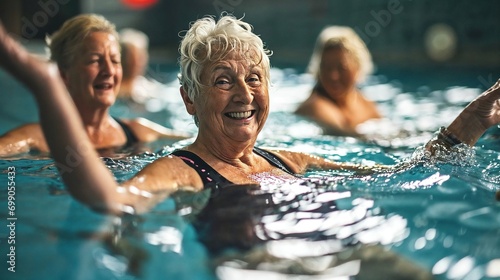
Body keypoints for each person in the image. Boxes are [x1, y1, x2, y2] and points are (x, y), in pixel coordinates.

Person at [0, 15, 499, 215]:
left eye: (254, 78)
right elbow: (109, 198)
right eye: (223, 80)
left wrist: (465, 128)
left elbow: (401, 174)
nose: (244, 92)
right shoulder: (178, 170)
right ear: (189, 100)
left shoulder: (289, 161)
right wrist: (44, 86)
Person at [0, 14, 188, 157]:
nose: (109, 71)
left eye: (115, 60)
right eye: (94, 60)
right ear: (64, 74)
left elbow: (201, 143)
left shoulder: (138, 132)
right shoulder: (38, 138)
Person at [295, 26, 381, 137]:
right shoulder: (315, 106)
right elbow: (346, 135)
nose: (333, 76)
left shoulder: (364, 103)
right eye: (326, 67)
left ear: (357, 66)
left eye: (342, 68)